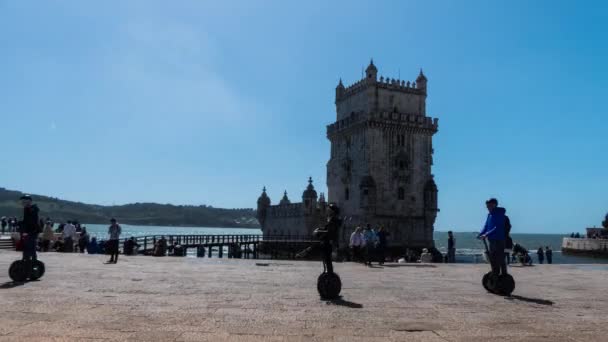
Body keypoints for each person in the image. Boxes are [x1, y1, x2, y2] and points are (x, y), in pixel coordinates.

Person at [478, 198, 507, 279]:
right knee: (493, 258)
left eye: (489, 206)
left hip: (499, 239)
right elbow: (486, 226)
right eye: (487, 206)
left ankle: (504, 275)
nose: (488, 208)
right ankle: (495, 274)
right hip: (491, 240)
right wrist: (480, 234)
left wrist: (486, 234)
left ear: (494, 205)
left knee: (500, 258)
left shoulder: (499, 214)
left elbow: (497, 227)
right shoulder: (489, 215)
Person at [312, 203, 341, 274]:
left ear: (333, 211)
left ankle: (329, 273)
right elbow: (326, 229)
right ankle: (327, 272)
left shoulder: (334, 220)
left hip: (330, 242)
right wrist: (319, 229)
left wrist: (318, 232)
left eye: (329, 209)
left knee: (327, 258)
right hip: (328, 241)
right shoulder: (332, 219)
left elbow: (330, 231)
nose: (327, 210)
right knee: (326, 258)